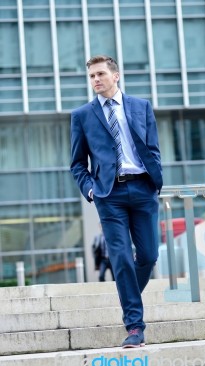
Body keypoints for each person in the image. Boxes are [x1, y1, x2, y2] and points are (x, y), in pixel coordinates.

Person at [70, 55, 163, 348]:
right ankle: (135, 327)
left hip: (143, 189)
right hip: (109, 196)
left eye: (100, 74)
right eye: (91, 76)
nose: (95, 80)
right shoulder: (82, 115)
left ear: (116, 75)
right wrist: (90, 190)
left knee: (148, 256)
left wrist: (156, 181)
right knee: (121, 258)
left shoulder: (141, 106)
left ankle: (128, 295)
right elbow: (76, 163)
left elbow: (153, 148)